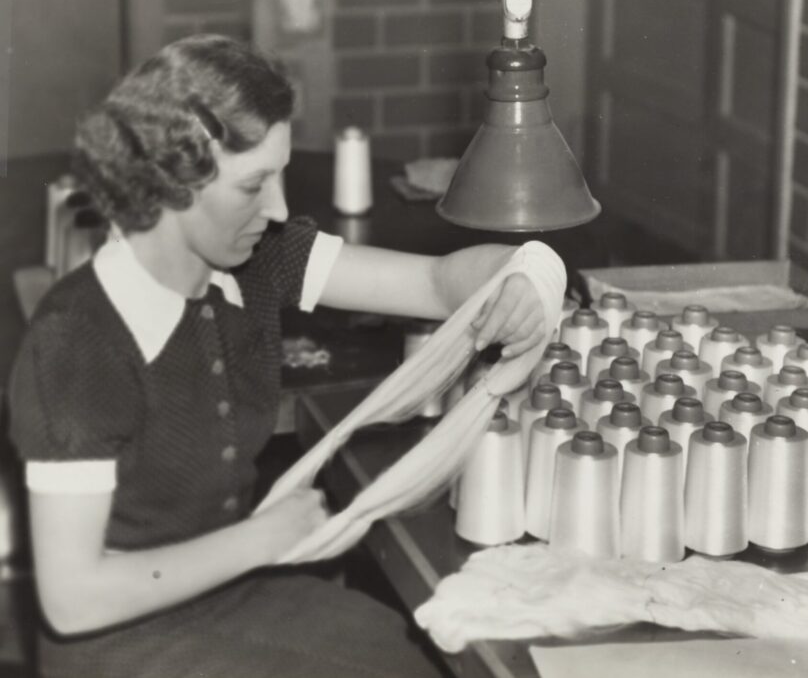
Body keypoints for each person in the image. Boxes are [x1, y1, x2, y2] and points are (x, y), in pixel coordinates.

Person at [7, 34, 548, 677]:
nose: (280, 207)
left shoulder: (257, 259)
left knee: (414, 654)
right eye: (254, 184)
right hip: (118, 643)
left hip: (227, 593)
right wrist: (259, 541)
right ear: (174, 183)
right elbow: (73, 602)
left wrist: (520, 277)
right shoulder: (79, 340)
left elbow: (435, 283)